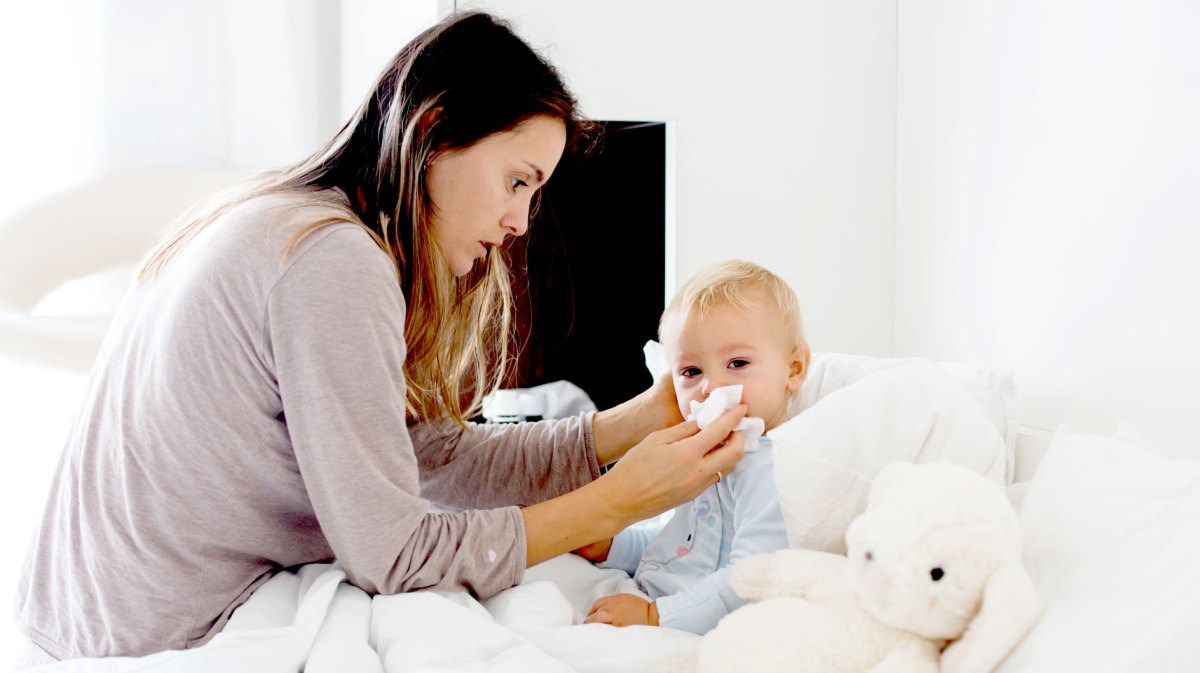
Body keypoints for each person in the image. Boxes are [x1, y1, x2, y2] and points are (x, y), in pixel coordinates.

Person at [13, 12, 746, 664]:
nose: (522, 222)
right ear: (434, 132)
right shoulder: (333, 261)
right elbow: (393, 553)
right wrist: (613, 503)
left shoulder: (293, 217)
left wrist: (635, 422)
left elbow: (427, 458)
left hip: (86, 615)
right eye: (517, 181)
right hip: (153, 631)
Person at [581, 260, 811, 634]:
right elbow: (678, 547)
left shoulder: (772, 467)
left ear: (794, 369)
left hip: (691, 626)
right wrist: (614, 547)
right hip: (647, 597)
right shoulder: (702, 453)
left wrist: (656, 616)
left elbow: (749, 580)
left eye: (737, 363)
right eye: (691, 372)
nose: (709, 387)